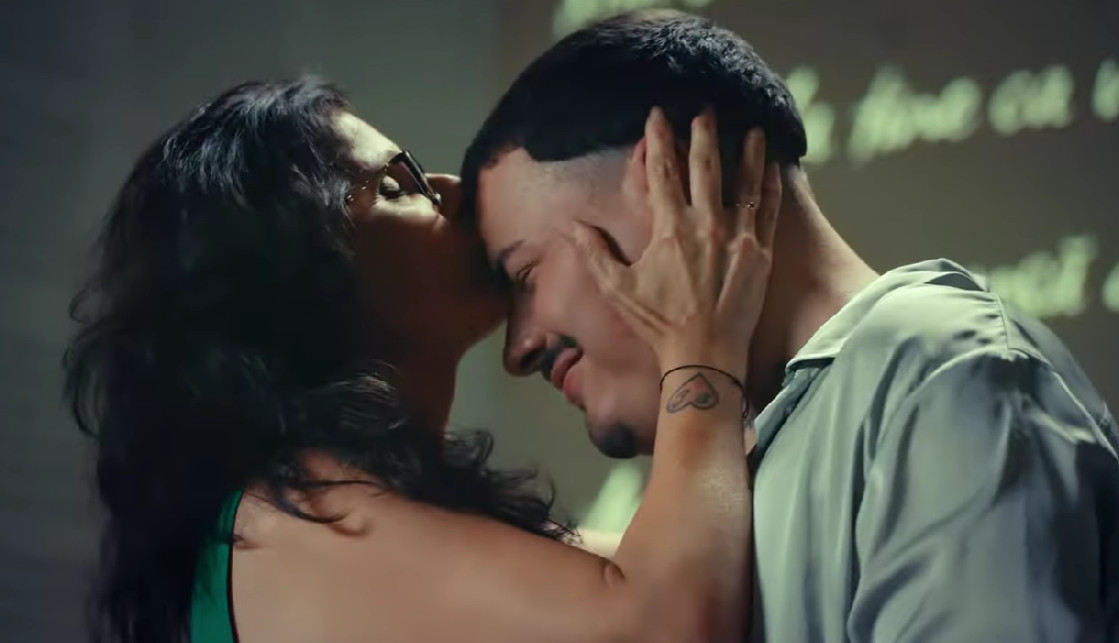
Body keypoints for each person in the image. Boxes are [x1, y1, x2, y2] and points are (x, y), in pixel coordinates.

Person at [463, 9, 1119, 642]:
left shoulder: (941, 376)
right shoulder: (739, 468)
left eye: (525, 275)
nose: (517, 349)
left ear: (681, 178)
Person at [64, 78, 780, 643]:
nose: (455, 193)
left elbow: (702, 565)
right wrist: (700, 342)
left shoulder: (330, 510)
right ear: (295, 277)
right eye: (398, 185)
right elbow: (667, 624)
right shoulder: (296, 519)